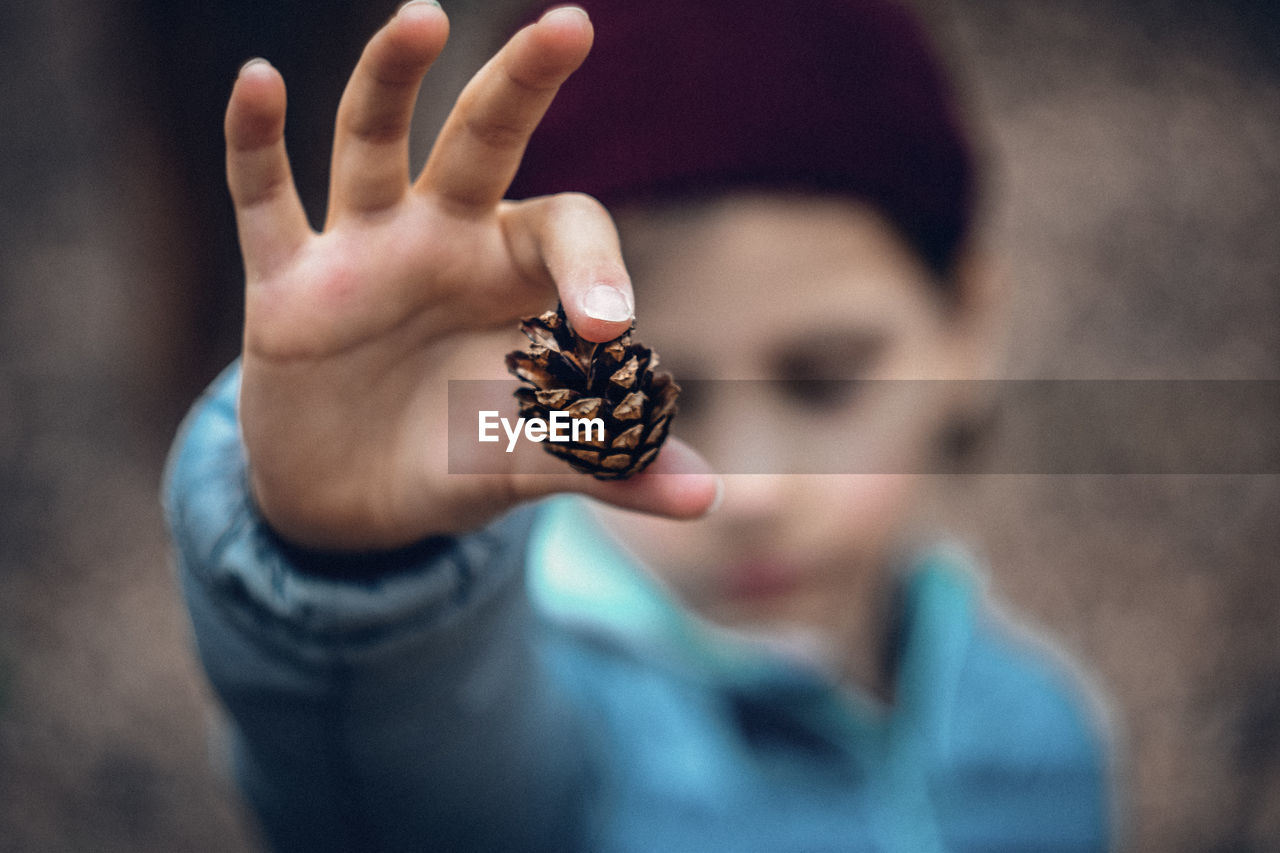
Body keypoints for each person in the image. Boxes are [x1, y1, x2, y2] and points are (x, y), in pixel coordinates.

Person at [164, 0, 1114, 849]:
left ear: (970, 324)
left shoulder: (1046, 740)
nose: (751, 491)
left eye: (826, 383)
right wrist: (356, 569)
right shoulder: (539, 752)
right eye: (652, 399)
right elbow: (380, 790)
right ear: (536, 378)